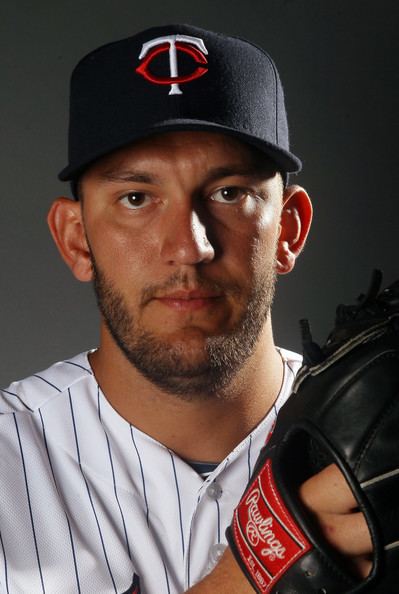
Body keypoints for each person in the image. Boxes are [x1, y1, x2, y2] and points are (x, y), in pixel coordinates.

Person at [0, 24, 371, 594]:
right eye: (136, 198)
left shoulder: (380, 440)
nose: (189, 246)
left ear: (289, 230)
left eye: (229, 193)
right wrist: (260, 565)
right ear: (76, 239)